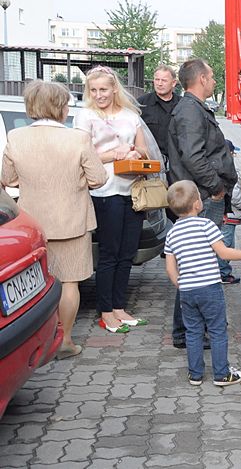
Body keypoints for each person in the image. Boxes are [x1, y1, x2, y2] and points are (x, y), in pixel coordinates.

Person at [1, 81, 108, 357]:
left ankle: (37, 341)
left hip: (32, 226)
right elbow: (98, 179)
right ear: (60, 108)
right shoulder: (78, 139)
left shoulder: (16, 137)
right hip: (72, 222)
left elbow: (8, 179)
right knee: (69, 283)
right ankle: (66, 341)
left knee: (35, 286)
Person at [164, 180, 241, 386]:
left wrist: (179, 284)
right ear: (197, 204)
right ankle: (221, 374)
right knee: (217, 330)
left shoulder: (172, 232)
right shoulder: (206, 225)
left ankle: (195, 374)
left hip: (187, 290)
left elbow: (170, 267)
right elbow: (224, 252)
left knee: (193, 331)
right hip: (210, 288)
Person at [166, 58, 238, 348]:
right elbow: (193, 156)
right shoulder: (189, 111)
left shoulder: (193, 108)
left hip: (204, 195)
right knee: (197, 266)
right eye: (211, 76)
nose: (214, 81)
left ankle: (190, 329)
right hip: (203, 197)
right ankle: (185, 332)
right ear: (200, 80)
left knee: (201, 265)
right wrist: (216, 186)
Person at [74, 66, 151, 333]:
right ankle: (105, 311)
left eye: (103, 89)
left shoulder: (131, 116)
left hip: (133, 191)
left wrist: (133, 152)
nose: (98, 95)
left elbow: (144, 150)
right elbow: (81, 155)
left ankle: (119, 307)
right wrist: (112, 155)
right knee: (109, 253)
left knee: (127, 253)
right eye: (93, 90)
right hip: (104, 191)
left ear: (114, 89)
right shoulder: (85, 116)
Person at [138, 65, 180, 160]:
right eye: (157, 80)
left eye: (164, 80)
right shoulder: (141, 104)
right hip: (150, 162)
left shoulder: (182, 105)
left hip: (177, 163)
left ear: (173, 83)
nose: (159, 84)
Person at [218, 140, 241, 284]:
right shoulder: (229, 169)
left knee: (228, 243)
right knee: (226, 244)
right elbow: (234, 194)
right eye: (233, 153)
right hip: (231, 214)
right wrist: (240, 205)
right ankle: (223, 273)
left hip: (228, 214)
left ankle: (223, 270)